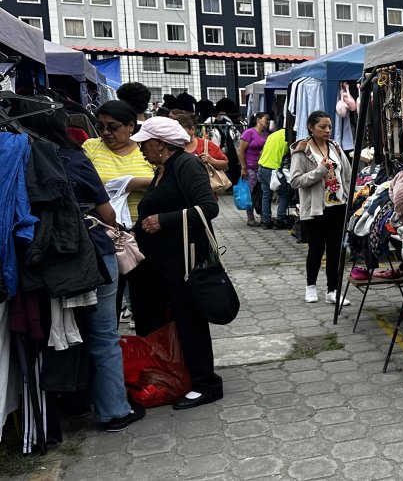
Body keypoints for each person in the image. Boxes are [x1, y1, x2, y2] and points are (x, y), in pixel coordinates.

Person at [12, 98, 145, 432]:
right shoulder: (74, 158)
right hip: (91, 252)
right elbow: (107, 213)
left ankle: (71, 403)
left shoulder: (18, 159)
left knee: (60, 332)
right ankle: (114, 410)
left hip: (40, 257)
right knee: (102, 334)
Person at [129, 117, 223, 409]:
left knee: (189, 319)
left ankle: (206, 383)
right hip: (162, 261)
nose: (141, 148)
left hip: (183, 261)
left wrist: (163, 220)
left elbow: (209, 208)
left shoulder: (186, 164)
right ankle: (172, 375)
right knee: (165, 318)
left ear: (160, 143)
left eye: (145, 143)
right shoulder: (164, 168)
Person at [290, 111, 352, 304]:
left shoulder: (335, 147)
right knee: (316, 249)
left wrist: (348, 195)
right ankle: (310, 286)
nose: (327, 131)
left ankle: (332, 291)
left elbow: (347, 173)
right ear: (311, 127)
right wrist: (320, 171)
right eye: (322, 127)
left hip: (338, 206)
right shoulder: (303, 150)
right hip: (317, 208)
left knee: (335, 250)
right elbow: (295, 180)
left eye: (330, 127)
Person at [257, 127, 292, 230]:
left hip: (262, 167)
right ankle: (279, 221)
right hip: (274, 170)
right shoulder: (290, 137)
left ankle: (266, 221)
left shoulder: (273, 135)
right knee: (284, 195)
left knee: (266, 195)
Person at [238, 112, 270, 226]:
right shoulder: (249, 133)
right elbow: (241, 150)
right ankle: (250, 217)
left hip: (262, 167)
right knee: (250, 192)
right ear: (258, 119)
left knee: (261, 192)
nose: (267, 121)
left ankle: (263, 215)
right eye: (266, 119)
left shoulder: (266, 134)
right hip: (250, 167)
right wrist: (243, 167)